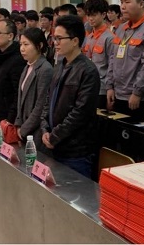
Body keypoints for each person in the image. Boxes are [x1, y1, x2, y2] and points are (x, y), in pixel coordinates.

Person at [41, 15, 101, 178]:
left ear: (75, 41)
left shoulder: (88, 71)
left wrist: (55, 135)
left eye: (59, 38)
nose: (55, 43)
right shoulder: (60, 66)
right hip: (55, 144)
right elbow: (48, 100)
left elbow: (80, 112)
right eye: (54, 38)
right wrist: (45, 128)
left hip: (75, 150)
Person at [15, 28, 53, 145]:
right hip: (23, 128)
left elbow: (41, 105)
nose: (22, 48)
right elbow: (20, 99)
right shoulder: (27, 66)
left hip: (35, 131)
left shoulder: (45, 69)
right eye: (21, 44)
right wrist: (18, 123)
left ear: (39, 45)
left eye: (26, 44)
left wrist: (24, 129)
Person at [0, 19, 27, 123]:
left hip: (8, 117)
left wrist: (10, 119)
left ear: (10, 36)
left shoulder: (18, 59)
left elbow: (18, 93)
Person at [82, 0, 115, 111]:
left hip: (102, 89)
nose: (90, 19)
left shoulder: (110, 38)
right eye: (88, 15)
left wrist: (110, 88)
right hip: (88, 86)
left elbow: (112, 66)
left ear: (103, 14)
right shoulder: (89, 37)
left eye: (94, 15)